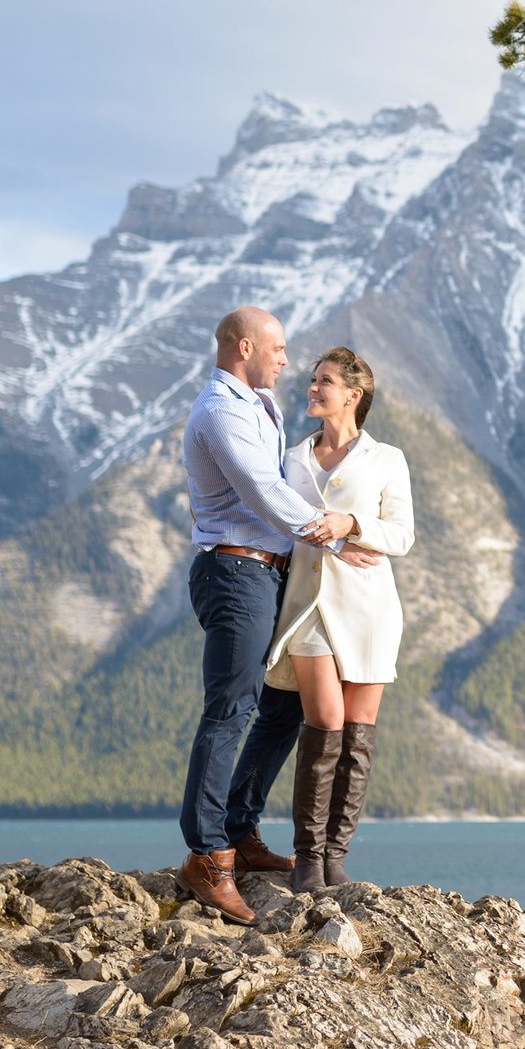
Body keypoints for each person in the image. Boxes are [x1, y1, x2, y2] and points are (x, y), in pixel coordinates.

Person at [177, 306, 351, 923]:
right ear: (244, 346)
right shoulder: (220, 410)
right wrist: (332, 535)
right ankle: (206, 855)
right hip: (235, 570)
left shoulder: (259, 405)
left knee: (281, 706)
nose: (285, 359)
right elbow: (260, 489)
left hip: (270, 572)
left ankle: (240, 831)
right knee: (231, 707)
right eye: (276, 348)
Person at [265, 346, 412, 892]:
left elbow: (402, 535)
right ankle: (307, 858)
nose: (312, 387)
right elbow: (279, 523)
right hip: (306, 605)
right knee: (324, 720)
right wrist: (329, 543)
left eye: (324, 381)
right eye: (311, 379)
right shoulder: (291, 457)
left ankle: (334, 857)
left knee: (357, 733)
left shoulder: (386, 458)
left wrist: (352, 522)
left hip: (369, 608)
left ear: (353, 395)